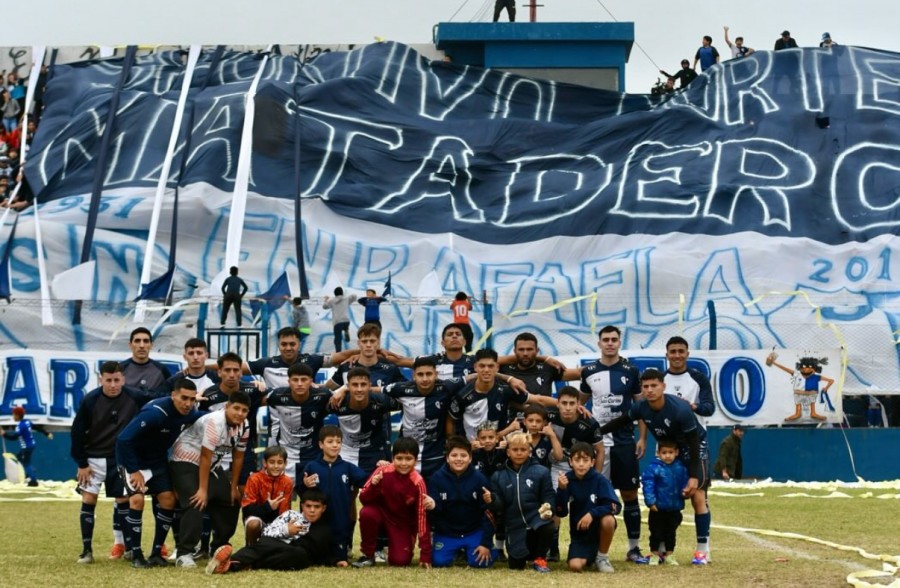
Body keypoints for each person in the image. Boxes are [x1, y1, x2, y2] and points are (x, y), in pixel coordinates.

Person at [599, 369, 712, 565]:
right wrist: (595, 432)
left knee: (697, 494)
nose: (650, 390)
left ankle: (703, 550)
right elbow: (620, 421)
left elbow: (693, 443)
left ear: (663, 386)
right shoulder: (641, 406)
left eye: (654, 386)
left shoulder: (680, 409)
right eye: (646, 386)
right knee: (660, 493)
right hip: (668, 449)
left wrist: (693, 476)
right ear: (641, 389)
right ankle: (660, 549)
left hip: (692, 447)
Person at [70, 362, 157, 563]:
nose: (112, 385)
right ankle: (87, 551)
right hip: (93, 459)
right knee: (89, 499)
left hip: (120, 458)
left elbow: (158, 399)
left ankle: (128, 548)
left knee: (124, 500)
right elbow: (76, 432)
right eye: (108, 380)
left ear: (123, 379)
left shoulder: (134, 396)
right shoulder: (90, 400)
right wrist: (82, 463)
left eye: (116, 380)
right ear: (101, 380)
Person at [574, 325, 646, 564]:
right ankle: (593, 551)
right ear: (599, 343)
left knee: (629, 494)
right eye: (606, 339)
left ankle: (633, 549)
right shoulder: (589, 371)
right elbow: (578, 402)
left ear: (619, 342)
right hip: (597, 444)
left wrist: (643, 437)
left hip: (624, 442)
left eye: (614, 339)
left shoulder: (631, 371)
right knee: (595, 496)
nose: (610, 343)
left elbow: (640, 407)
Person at [115, 380, 203, 568]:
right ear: (173, 396)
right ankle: (136, 554)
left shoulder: (190, 412)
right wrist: (133, 471)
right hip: (133, 461)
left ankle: (156, 553)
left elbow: (203, 415)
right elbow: (123, 440)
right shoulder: (155, 413)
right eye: (184, 398)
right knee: (137, 500)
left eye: (192, 399)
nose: (188, 403)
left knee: (168, 499)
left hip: (156, 461)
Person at [168, 391, 250, 568]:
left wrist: (233, 487)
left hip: (211, 464)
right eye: (236, 408)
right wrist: (203, 490)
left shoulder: (245, 425)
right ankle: (184, 553)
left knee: (231, 500)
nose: (240, 413)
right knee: (196, 500)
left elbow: (238, 457)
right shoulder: (215, 421)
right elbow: (205, 456)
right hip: (186, 459)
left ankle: (218, 547)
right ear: (226, 407)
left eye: (244, 410)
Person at [206, 489, 337, 573]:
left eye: (317, 507)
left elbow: (324, 554)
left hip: (294, 556)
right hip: (275, 544)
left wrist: (337, 561)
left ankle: (236, 564)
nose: (312, 510)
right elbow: (267, 533)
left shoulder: (324, 530)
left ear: (323, 508)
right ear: (302, 506)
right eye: (308, 506)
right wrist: (286, 530)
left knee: (299, 554)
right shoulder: (291, 515)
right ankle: (231, 562)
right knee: (267, 543)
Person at [352, 437, 433, 568]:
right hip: (381, 514)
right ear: (393, 458)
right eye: (399, 458)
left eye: (408, 459)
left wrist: (425, 554)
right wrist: (374, 486)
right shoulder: (381, 471)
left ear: (416, 460)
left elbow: (422, 517)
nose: (403, 463)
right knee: (367, 513)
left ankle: (398, 546)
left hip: (402, 524)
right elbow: (364, 500)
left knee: (399, 561)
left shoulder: (418, 482)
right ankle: (368, 555)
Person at [486, 431, 555, 573]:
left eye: (523, 449)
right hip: (514, 525)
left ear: (529, 451)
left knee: (548, 526)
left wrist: (549, 509)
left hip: (536, 520)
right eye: (515, 450)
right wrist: (492, 499)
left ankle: (540, 558)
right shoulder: (498, 475)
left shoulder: (542, 472)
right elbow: (499, 506)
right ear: (508, 452)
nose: (519, 453)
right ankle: (525, 553)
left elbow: (549, 496)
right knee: (516, 566)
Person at [301, 425, 371, 565]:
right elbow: (302, 493)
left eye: (338, 442)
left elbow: (367, 480)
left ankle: (341, 553)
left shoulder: (348, 467)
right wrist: (305, 485)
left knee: (341, 560)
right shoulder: (312, 466)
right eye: (330, 441)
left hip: (340, 523)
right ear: (321, 444)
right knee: (312, 558)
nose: (335, 445)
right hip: (317, 524)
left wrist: (382, 468)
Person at [450, 348, 553, 440]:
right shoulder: (463, 395)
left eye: (490, 366)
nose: (486, 370)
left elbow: (538, 400)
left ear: (497, 367)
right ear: (475, 367)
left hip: (499, 449)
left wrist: (559, 403)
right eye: (482, 366)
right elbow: (450, 421)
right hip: (471, 450)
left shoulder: (505, 389)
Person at [428, 436, 496, 568]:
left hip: (473, 531)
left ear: (470, 458)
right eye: (454, 455)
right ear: (447, 458)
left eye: (463, 455)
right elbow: (435, 513)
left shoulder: (480, 479)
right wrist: (432, 506)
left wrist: (486, 543)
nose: (458, 459)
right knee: (439, 562)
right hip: (447, 533)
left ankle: (473, 549)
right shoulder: (436, 479)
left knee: (480, 563)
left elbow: (488, 513)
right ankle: (454, 550)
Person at [555, 442, 620, 573]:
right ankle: (592, 557)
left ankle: (602, 557)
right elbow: (561, 512)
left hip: (597, 530)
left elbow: (615, 507)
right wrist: (561, 490)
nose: (581, 464)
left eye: (585, 460)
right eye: (577, 460)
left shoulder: (599, 480)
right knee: (575, 566)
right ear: (570, 462)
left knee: (608, 520)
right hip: (579, 534)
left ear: (592, 462)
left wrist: (592, 513)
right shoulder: (567, 479)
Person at [266, 362, 334, 482]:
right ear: (289, 381)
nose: (299, 384)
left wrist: (344, 389)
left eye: (304, 379)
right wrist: (257, 383)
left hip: (314, 457)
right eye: (295, 380)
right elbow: (254, 396)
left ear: (311, 381)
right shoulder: (276, 396)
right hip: (285, 457)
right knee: (281, 499)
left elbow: (344, 398)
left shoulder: (323, 395)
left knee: (313, 499)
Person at [330, 367, 399, 474]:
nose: (359, 389)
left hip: (374, 453)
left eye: (363, 384)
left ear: (370, 386)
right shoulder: (338, 401)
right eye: (354, 385)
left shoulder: (381, 401)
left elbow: (409, 399)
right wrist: (340, 390)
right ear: (348, 386)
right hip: (345, 452)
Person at [641, 438, 690, 565]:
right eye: (664, 453)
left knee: (671, 532)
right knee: (655, 532)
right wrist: (651, 502)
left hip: (674, 508)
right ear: (658, 453)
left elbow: (685, 483)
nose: (667, 456)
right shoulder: (653, 468)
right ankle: (654, 554)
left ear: (676, 452)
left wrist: (685, 493)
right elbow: (648, 485)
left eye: (670, 452)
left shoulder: (681, 468)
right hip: (658, 508)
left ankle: (669, 554)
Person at [247, 326, 338, 389]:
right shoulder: (266, 364)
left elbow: (343, 357)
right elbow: (235, 368)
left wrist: (329, 387)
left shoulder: (312, 360)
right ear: (278, 345)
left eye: (292, 344)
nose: (288, 348)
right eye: (284, 344)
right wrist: (252, 385)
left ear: (299, 345)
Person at [241, 446, 294, 546]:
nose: (276, 466)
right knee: (253, 524)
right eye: (272, 462)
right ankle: (251, 548)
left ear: (285, 464)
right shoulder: (254, 479)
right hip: (257, 519)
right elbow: (247, 509)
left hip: (276, 521)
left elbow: (285, 512)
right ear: (265, 463)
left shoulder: (288, 482)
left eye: (280, 462)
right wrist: (268, 507)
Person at [663, 336, 716, 425]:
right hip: (668, 437)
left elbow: (709, 408)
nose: (677, 355)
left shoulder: (700, 378)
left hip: (695, 436)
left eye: (681, 351)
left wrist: (693, 407)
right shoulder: (659, 380)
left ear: (687, 354)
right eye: (673, 352)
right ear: (667, 355)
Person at [4, 405, 48, 487]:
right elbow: (37, 427)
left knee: (26, 463)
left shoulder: (20, 426)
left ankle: (33, 480)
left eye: (13, 414)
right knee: (19, 458)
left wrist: (4, 434)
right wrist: (46, 433)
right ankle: (30, 472)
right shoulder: (27, 422)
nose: (13, 416)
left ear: (17, 415)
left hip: (26, 447)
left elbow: (13, 437)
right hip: (31, 445)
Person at [121, 327, 171, 395]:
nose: (142, 345)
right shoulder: (121, 369)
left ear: (151, 345)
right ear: (130, 345)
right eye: (137, 341)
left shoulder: (161, 370)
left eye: (146, 341)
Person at [522, 404, 562, 469]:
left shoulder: (548, 439)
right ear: (524, 421)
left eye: (538, 421)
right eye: (530, 420)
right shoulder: (519, 438)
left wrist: (552, 435)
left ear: (544, 423)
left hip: (543, 476)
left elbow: (559, 457)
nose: (534, 424)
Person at [323, 286, 358, 352]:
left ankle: (338, 352)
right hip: (346, 320)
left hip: (338, 322)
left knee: (338, 338)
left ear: (335, 293)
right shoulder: (346, 298)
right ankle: (346, 330)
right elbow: (355, 296)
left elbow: (324, 307)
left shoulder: (332, 300)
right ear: (342, 292)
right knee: (345, 326)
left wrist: (326, 300)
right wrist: (345, 296)